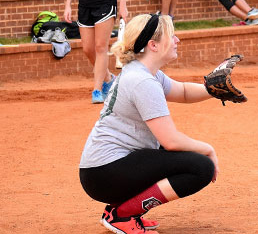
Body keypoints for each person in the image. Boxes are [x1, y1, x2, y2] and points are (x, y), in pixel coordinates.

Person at [79, 14, 221, 234]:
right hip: (105, 174)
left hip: (104, 170)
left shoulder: (144, 72)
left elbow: (183, 91)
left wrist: (214, 90)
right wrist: (209, 149)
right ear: (153, 45)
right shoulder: (142, 81)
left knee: (182, 156)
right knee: (200, 167)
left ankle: (122, 211)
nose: (177, 40)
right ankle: (122, 214)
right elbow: (170, 141)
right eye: (171, 36)